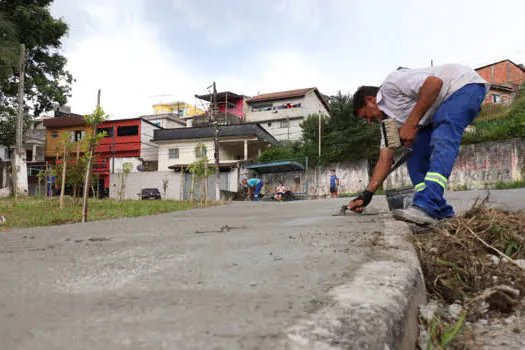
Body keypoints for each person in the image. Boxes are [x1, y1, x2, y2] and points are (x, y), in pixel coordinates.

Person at [348, 64, 489, 225]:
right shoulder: (388, 124)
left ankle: (427, 206)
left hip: (462, 87)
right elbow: (384, 160)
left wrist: (411, 124)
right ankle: (441, 213)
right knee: (415, 157)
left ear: (370, 100)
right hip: (434, 112)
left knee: (442, 135)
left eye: (366, 115)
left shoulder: (391, 84)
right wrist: (366, 195)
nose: (368, 121)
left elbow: (434, 83)